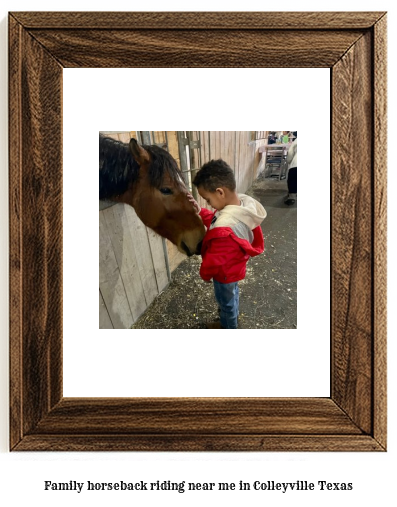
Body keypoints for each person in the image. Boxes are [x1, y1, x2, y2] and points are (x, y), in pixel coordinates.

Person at [187, 159, 266, 329]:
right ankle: (231, 317)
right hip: (234, 269)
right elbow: (217, 220)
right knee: (233, 295)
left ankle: (228, 326)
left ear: (220, 192)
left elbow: (214, 260)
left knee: (226, 303)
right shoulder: (241, 207)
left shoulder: (225, 228)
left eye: (207, 200)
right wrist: (200, 211)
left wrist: (205, 274)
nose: (209, 204)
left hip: (223, 274)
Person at [285, 134, 297, 205]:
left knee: (293, 179)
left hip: (296, 164)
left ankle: (292, 197)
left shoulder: (297, 141)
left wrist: (289, 161)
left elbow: (290, 153)